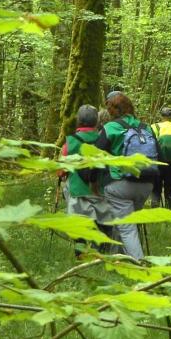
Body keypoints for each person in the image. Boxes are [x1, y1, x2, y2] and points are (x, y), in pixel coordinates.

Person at [95, 92, 158, 261]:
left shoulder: (110, 128)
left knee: (127, 228)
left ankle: (140, 265)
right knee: (127, 223)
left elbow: (95, 156)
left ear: (113, 110)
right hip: (146, 183)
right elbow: (159, 155)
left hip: (119, 186)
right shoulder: (146, 127)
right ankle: (118, 259)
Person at [60, 104, 115, 255]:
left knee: (79, 229)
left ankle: (81, 256)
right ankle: (103, 254)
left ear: (78, 121)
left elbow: (61, 171)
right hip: (101, 191)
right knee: (105, 225)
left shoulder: (70, 142)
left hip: (79, 191)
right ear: (96, 122)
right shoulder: (103, 139)